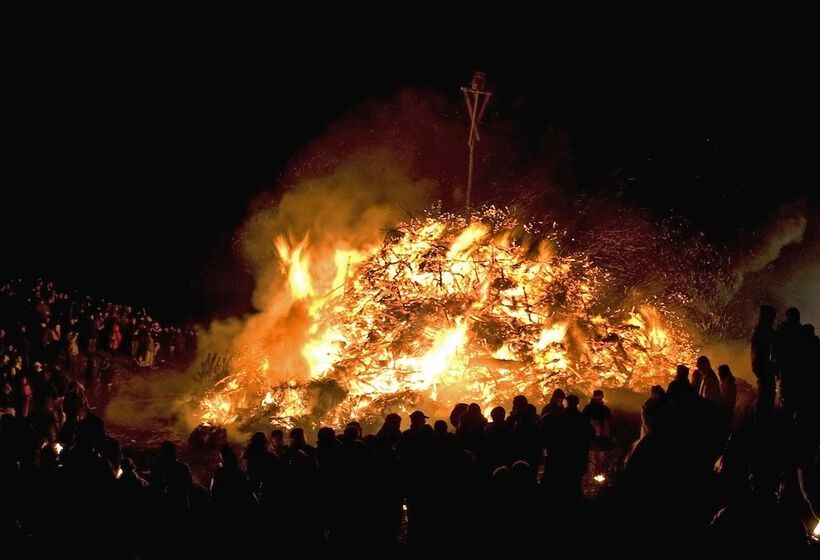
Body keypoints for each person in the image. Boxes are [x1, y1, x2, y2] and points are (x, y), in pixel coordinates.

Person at [751, 305, 777, 418]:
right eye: (772, 317)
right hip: (764, 367)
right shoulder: (763, 331)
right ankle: (762, 419)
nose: (773, 320)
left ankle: (761, 417)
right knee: (766, 394)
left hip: (761, 367)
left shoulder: (760, 330)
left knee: (765, 392)